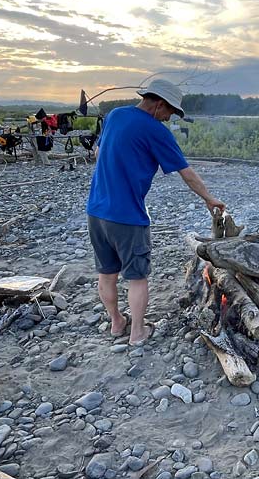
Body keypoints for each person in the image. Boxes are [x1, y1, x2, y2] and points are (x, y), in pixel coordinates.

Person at [86, 79, 226, 346]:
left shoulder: (115, 116)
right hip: (127, 217)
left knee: (106, 273)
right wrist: (209, 199)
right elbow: (186, 172)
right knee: (137, 277)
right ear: (159, 104)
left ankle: (117, 323)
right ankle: (138, 333)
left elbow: (98, 152)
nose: (169, 118)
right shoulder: (156, 131)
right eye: (170, 112)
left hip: (96, 211)